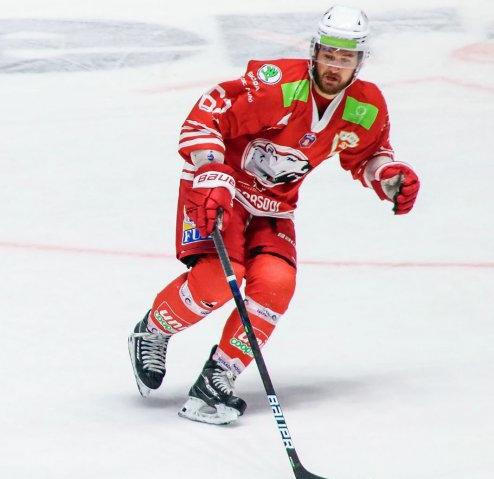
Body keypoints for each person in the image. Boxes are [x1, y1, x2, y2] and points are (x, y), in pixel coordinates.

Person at [127, 6, 420, 425]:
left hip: (275, 207)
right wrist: (210, 169)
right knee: (218, 279)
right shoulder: (278, 85)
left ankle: (218, 377)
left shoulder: (365, 106)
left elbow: (370, 154)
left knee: (277, 284)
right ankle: (153, 330)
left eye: (345, 58)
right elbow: (205, 117)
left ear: (360, 60)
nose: (334, 66)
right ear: (315, 51)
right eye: (328, 55)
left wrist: (388, 177)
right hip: (220, 190)